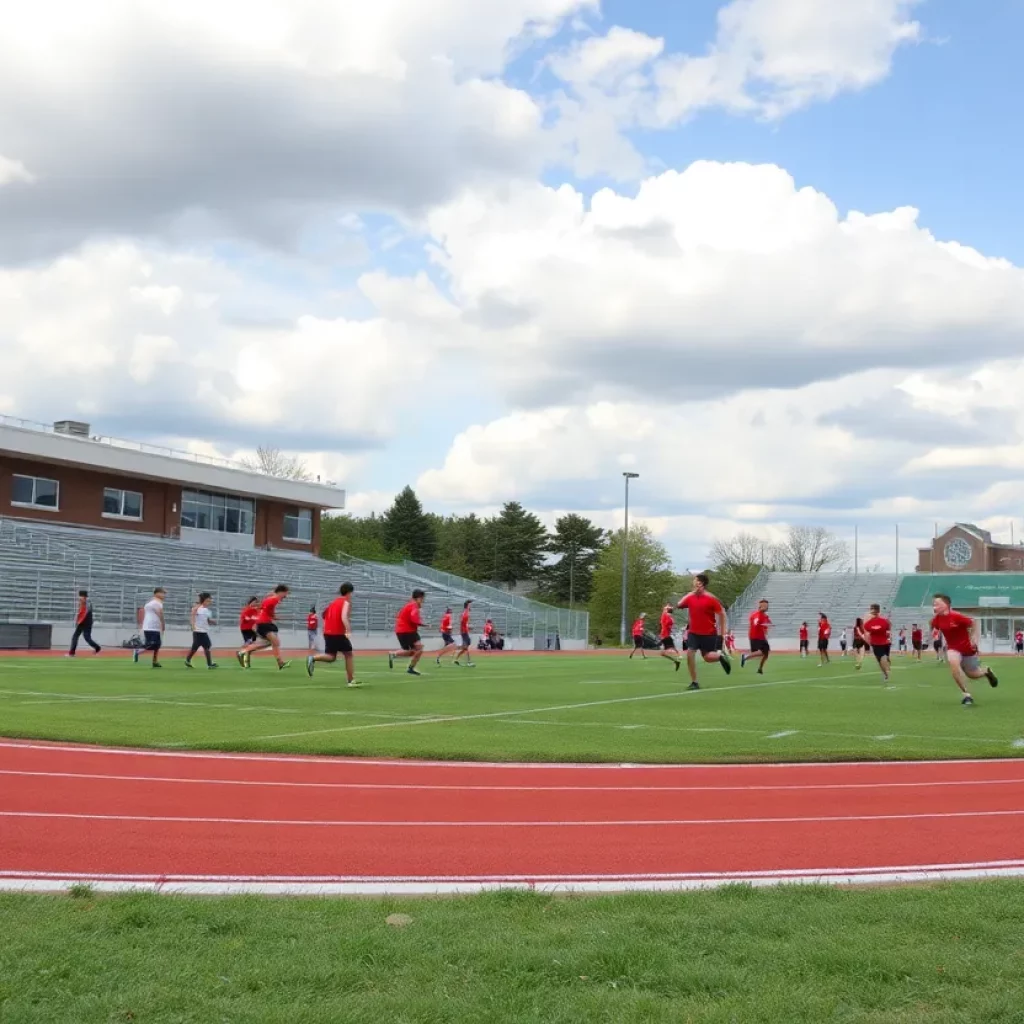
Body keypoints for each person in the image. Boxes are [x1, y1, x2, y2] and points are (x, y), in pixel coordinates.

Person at [930, 594, 998, 706]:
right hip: (952, 648)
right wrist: (935, 634)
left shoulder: (957, 616)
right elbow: (935, 628)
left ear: (946, 605)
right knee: (953, 664)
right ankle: (967, 695)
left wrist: (973, 638)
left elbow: (973, 623)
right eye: (933, 604)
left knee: (972, 674)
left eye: (937, 604)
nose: (934, 606)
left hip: (967, 649)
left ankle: (986, 672)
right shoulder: (936, 619)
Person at [677, 573, 731, 690]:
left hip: (708, 633)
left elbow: (721, 614)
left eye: (695, 580)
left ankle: (720, 657)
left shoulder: (711, 598)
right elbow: (679, 604)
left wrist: (722, 633)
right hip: (693, 633)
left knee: (707, 657)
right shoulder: (690, 597)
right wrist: (690, 593)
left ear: (700, 583)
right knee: (690, 653)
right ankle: (694, 682)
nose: (693, 582)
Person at [307, 583, 358, 686]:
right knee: (348, 654)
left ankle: (313, 658)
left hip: (328, 632)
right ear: (349, 592)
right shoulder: (346, 602)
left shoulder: (333, 602)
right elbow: (344, 617)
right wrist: (348, 630)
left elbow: (324, 615)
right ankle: (351, 680)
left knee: (331, 656)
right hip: (337, 633)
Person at [238, 584, 290, 670]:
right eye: (286, 593)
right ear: (281, 592)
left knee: (268, 643)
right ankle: (280, 662)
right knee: (276, 642)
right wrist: (273, 616)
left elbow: (264, 608)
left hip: (263, 623)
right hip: (264, 623)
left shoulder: (270, 598)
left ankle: (243, 652)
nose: (286, 596)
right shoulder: (274, 599)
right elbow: (268, 609)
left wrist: (272, 616)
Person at [390, 589, 428, 676]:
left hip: (402, 630)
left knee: (412, 652)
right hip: (407, 631)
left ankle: (394, 654)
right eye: (422, 598)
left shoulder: (409, 605)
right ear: (419, 598)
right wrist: (422, 624)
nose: (423, 600)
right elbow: (413, 618)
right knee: (419, 649)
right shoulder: (413, 605)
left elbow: (399, 615)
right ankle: (410, 668)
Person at [857, 604, 892, 686]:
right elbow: (888, 628)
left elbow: (867, 629)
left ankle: (886, 674)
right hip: (885, 643)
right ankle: (886, 663)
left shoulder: (869, 623)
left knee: (880, 660)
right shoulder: (884, 621)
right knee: (883, 658)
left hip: (877, 644)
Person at [133, 587, 166, 668]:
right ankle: (138, 651)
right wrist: (163, 624)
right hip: (152, 626)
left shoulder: (150, 602)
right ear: (157, 593)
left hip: (150, 626)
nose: (164, 595)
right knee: (153, 644)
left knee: (157, 644)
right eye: (162, 593)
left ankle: (155, 661)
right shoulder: (157, 603)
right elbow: (160, 614)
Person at [185, 592, 217, 670]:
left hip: (203, 631)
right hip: (199, 631)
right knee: (207, 645)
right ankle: (209, 664)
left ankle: (188, 660)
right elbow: (192, 616)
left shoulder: (207, 610)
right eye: (208, 600)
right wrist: (193, 626)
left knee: (196, 646)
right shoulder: (198, 608)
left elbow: (207, 620)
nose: (210, 602)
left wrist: (212, 621)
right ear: (204, 600)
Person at [741, 598, 771, 675]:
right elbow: (756, 623)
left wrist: (767, 626)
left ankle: (760, 669)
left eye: (767, 606)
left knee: (766, 653)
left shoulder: (761, 615)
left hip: (758, 637)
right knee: (762, 652)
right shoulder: (759, 615)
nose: (766, 607)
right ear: (760, 606)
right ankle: (745, 656)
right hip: (756, 637)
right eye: (765, 606)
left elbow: (767, 624)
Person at [67, 589, 101, 657]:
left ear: (83, 596)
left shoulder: (85, 602)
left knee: (77, 637)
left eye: (80, 596)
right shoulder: (85, 602)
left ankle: (72, 653)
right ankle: (97, 647)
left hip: (84, 622)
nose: (79, 597)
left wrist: (79, 621)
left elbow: (84, 613)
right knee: (85, 637)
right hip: (87, 622)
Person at [657, 604, 682, 670]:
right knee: (663, 653)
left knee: (663, 652)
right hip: (666, 636)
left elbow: (665, 612)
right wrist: (668, 608)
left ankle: (677, 659)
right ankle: (676, 660)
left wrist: (667, 608)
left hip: (665, 637)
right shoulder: (670, 619)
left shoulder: (666, 617)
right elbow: (666, 612)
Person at [453, 600, 475, 667]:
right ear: (467, 606)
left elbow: (464, 622)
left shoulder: (465, 612)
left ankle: (456, 659)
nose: (471, 607)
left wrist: (467, 627)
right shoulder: (465, 613)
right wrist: (465, 628)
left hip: (465, 632)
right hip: (464, 632)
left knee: (465, 648)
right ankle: (468, 662)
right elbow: (463, 622)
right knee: (465, 647)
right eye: (470, 605)